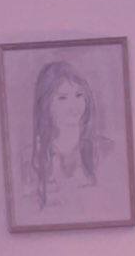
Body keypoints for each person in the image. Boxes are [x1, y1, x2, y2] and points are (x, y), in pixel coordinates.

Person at [22, 59, 114, 210]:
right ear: (46, 104)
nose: (74, 105)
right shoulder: (31, 156)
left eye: (79, 95)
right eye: (62, 98)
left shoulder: (105, 149)